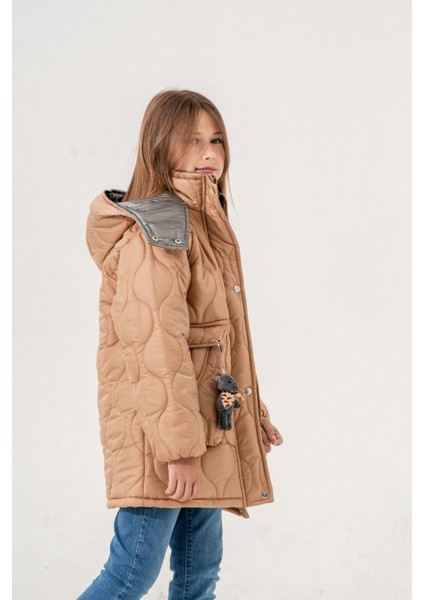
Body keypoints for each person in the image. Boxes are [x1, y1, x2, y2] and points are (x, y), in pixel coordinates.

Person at [79, 89, 283, 600]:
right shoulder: (159, 231)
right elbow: (157, 348)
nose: (209, 153)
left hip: (204, 430)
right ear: (158, 146)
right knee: (130, 575)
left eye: (216, 140)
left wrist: (250, 410)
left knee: (199, 575)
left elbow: (217, 342)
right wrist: (179, 452)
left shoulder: (205, 225)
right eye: (192, 141)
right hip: (165, 441)